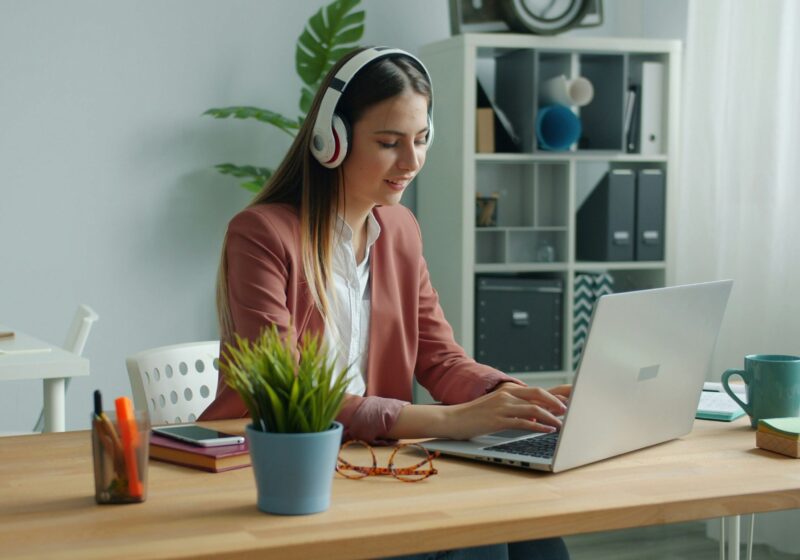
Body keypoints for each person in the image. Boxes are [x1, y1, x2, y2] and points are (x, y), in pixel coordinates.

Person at [200, 46, 570, 560]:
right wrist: (447, 422)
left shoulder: (398, 231)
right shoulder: (263, 235)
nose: (412, 161)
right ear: (334, 140)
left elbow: (440, 359)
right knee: (475, 540)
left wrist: (514, 398)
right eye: (390, 142)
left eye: (421, 140)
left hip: (372, 465)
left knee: (533, 527)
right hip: (282, 473)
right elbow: (290, 397)